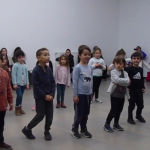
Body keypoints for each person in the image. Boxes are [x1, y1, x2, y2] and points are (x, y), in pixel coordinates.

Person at [22, 48, 55, 141]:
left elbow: (53, 82)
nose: (48, 56)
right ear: (38, 58)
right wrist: (45, 96)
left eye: (48, 54)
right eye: (45, 55)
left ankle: (47, 132)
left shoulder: (48, 69)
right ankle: (27, 129)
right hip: (40, 97)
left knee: (50, 116)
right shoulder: (36, 71)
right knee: (40, 115)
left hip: (50, 96)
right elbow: (36, 86)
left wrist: (52, 94)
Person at [104, 56, 130, 133]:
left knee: (119, 110)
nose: (118, 65)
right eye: (117, 63)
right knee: (114, 110)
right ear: (114, 64)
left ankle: (116, 123)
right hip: (115, 94)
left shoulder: (125, 73)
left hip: (122, 94)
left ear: (124, 65)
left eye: (121, 64)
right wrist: (124, 81)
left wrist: (122, 81)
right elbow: (117, 80)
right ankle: (107, 124)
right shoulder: (113, 72)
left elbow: (128, 82)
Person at [71, 45, 92, 139]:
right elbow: (74, 82)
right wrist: (75, 95)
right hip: (80, 95)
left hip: (88, 95)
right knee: (79, 114)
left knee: (86, 113)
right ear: (79, 55)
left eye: (88, 54)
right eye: (85, 54)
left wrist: (91, 93)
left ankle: (83, 129)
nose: (87, 56)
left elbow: (91, 81)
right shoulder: (78, 67)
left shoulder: (90, 67)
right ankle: (74, 129)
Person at [127, 52, 146, 124]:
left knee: (140, 104)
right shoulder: (130, 69)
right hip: (131, 89)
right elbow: (127, 78)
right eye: (134, 58)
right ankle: (130, 117)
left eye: (138, 59)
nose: (136, 60)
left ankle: (138, 115)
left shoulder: (141, 69)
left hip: (139, 90)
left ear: (140, 60)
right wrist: (127, 87)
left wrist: (143, 87)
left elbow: (141, 79)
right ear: (131, 59)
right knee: (132, 104)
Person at [0, 61, 13, 150]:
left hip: (2, 106)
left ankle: (1, 142)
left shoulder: (4, 73)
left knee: (0, 126)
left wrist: (11, 101)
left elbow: (8, 88)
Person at [11, 50, 29, 116]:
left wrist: (27, 84)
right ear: (17, 58)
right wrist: (14, 83)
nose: (21, 59)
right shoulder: (15, 65)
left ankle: (20, 108)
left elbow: (27, 75)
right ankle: (17, 108)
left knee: (21, 96)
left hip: (23, 84)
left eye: (22, 57)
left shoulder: (25, 66)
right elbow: (13, 75)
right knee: (19, 95)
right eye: (19, 57)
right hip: (18, 84)